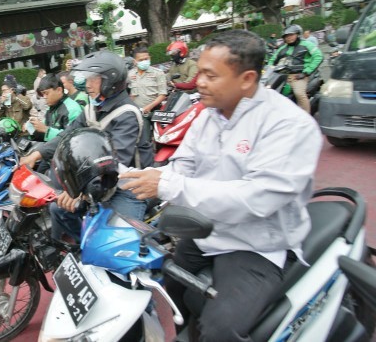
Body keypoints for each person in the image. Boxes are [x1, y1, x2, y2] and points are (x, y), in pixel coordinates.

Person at [120, 30, 323, 342]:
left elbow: (259, 199)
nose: (198, 82)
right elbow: (183, 165)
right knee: (164, 298)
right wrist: (135, 179)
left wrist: (170, 185)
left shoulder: (289, 125)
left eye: (210, 75)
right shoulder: (208, 115)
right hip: (205, 232)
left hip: (256, 244)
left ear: (247, 78)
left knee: (220, 331)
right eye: (199, 71)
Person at [20, 51, 154, 242]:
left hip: (129, 187)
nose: (88, 84)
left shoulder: (127, 114)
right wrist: (37, 154)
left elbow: (113, 165)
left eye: (94, 78)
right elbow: (68, 135)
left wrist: (80, 194)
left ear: (111, 80)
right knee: (58, 209)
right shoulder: (93, 108)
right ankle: (82, 249)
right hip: (98, 183)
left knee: (116, 241)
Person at [268, 24, 323, 113]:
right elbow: (272, 60)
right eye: (286, 36)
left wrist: (306, 72)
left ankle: (306, 117)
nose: (289, 38)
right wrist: (268, 69)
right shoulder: (282, 48)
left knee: (299, 93)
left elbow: (318, 56)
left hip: (299, 76)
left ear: (298, 34)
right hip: (283, 76)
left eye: (291, 35)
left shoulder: (306, 44)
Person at [28, 74, 82, 142]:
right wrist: (33, 128)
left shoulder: (72, 109)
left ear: (59, 90)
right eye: (42, 94)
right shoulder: (51, 107)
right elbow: (44, 131)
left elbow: (72, 138)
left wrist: (46, 129)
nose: (44, 97)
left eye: (46, 93)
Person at [128, 46, 168, 128]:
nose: (144, 61)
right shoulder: (130, 75)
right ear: (134, 61)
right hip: (137, 113)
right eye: (141, 60)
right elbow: (128, 94)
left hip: (154, 111)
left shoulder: (158, 73)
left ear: (149, 58)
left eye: (146, 59)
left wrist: (149, 107)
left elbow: (162, 94)